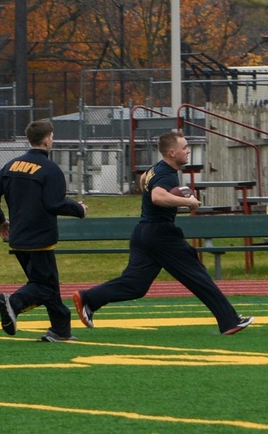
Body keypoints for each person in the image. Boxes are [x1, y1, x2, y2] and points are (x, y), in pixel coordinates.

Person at [72, 131, 253, 336]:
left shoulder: (155, 169)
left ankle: (89, 298)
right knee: (197, 275)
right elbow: (158, 196)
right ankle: (229, 321)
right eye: (184, 148)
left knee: (135, 285)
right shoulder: (166, 173)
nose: (188, 151)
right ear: (171, 152)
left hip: (143, 232)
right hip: (161, 234)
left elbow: (143, 183)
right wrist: (188, 202)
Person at [0, 119, 88, 342]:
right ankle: (13, 303)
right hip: (40, 237)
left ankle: (60, 330)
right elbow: (54, 203)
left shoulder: (12, 165)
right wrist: (78, 209)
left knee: (47, 283)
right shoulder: (50, 169)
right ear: (48, 139)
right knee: (44, 286)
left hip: (18, 237)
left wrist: (0, 220)